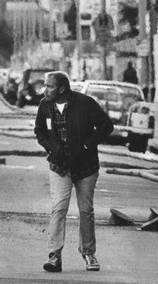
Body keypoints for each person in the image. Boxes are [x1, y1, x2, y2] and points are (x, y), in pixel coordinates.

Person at [34, 71, 113, 273]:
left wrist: (87, 146)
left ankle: (88, 254)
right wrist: (52, 148)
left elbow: (106, 126)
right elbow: (40, 132)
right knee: (58, 208)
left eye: (50, 86)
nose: (46, 90)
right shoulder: (45, 105)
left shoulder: (85, 103)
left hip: (86, 167)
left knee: (86, 210)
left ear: (62, 89)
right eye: (45, 86)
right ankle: (54, 256)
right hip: (60, 167)